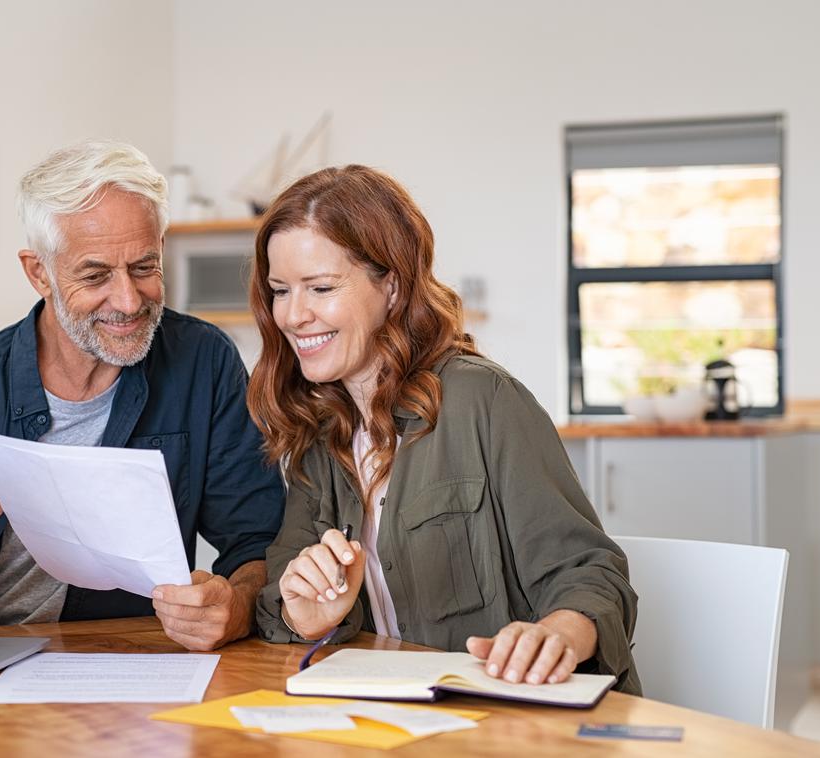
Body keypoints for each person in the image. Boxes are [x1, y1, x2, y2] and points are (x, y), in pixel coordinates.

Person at [249, 165, 640, 693]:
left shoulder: (484, 400)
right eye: (280, 290)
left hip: (511, 723)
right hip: (396, 719)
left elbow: (591, 574)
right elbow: (278, 595)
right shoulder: (322, 433)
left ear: (391, 286)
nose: (293, 315)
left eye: (320, 287)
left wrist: (557, 634)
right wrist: (309, 614)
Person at [0, 140, 284, 651]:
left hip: (125, 660)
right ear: (38, 273)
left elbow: (258, 541)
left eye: (144, 267)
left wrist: (237, 605)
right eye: (95, 275)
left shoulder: (203, 362)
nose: (128, 300)